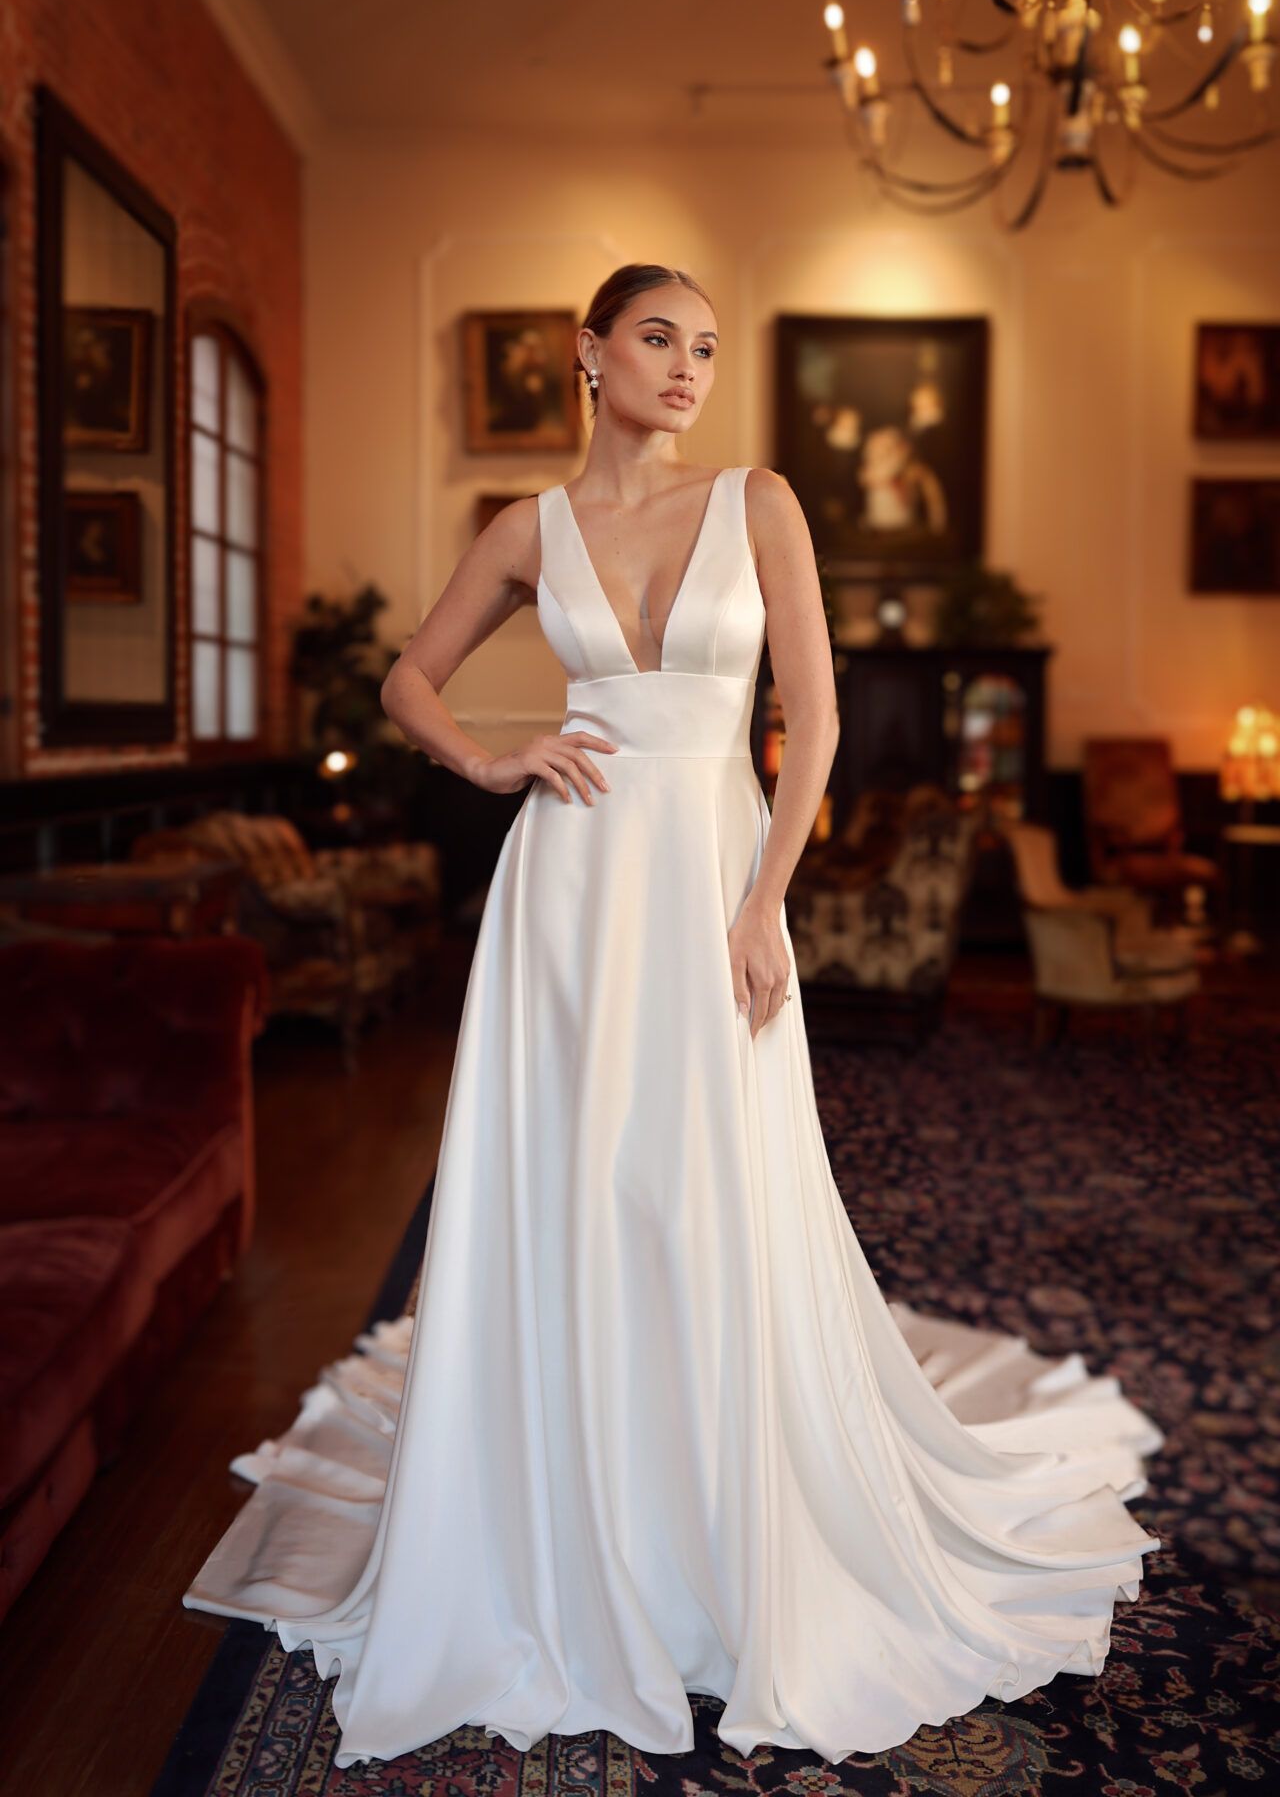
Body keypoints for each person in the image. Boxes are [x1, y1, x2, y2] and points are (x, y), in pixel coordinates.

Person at [184, 261, 1163, 1769]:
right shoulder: (529, 527)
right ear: (590, 353)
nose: (690, 366)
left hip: (713, 874)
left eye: (706, 346)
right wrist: (493, 759)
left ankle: (717, 1527)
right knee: (576, 1190)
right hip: (567, 895)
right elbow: (404, 677)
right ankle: (576, 1518)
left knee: (709, 1190)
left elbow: (815, 718)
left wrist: (765, 895)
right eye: (659, 338)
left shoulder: (758, 499)